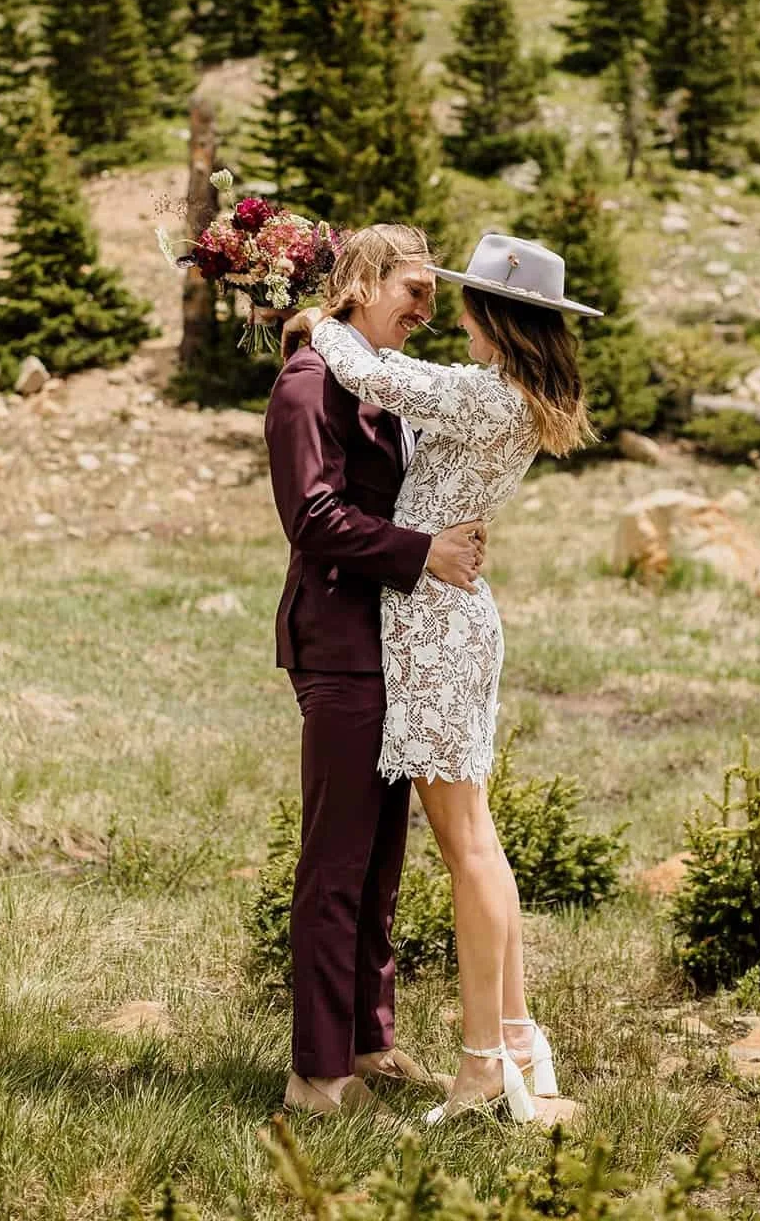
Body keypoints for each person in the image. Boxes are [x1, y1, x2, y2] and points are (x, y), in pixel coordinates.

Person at [291, 232, 602, 1126]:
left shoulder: (481, 395)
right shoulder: (509, 395)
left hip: (431, 626)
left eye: (459, 298)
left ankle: (480, 1066)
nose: (446, 313)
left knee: (466, 845)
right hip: (452, 618)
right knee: (480, 839)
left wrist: (315, 317)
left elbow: (380, 377)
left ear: (492, 316)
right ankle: (516, 1042)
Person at [264, 223, 488, 1118]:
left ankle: (370, 1040)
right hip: (340, 641)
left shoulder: (379, 380)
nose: (426, 310)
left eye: (435, 296)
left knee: (381, 859)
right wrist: (420, 551)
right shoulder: (307, 380)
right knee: (336, 860)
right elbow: (311, 518)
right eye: (414, 289)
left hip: (397, 644)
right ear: (359, 281)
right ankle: (316, 1076)